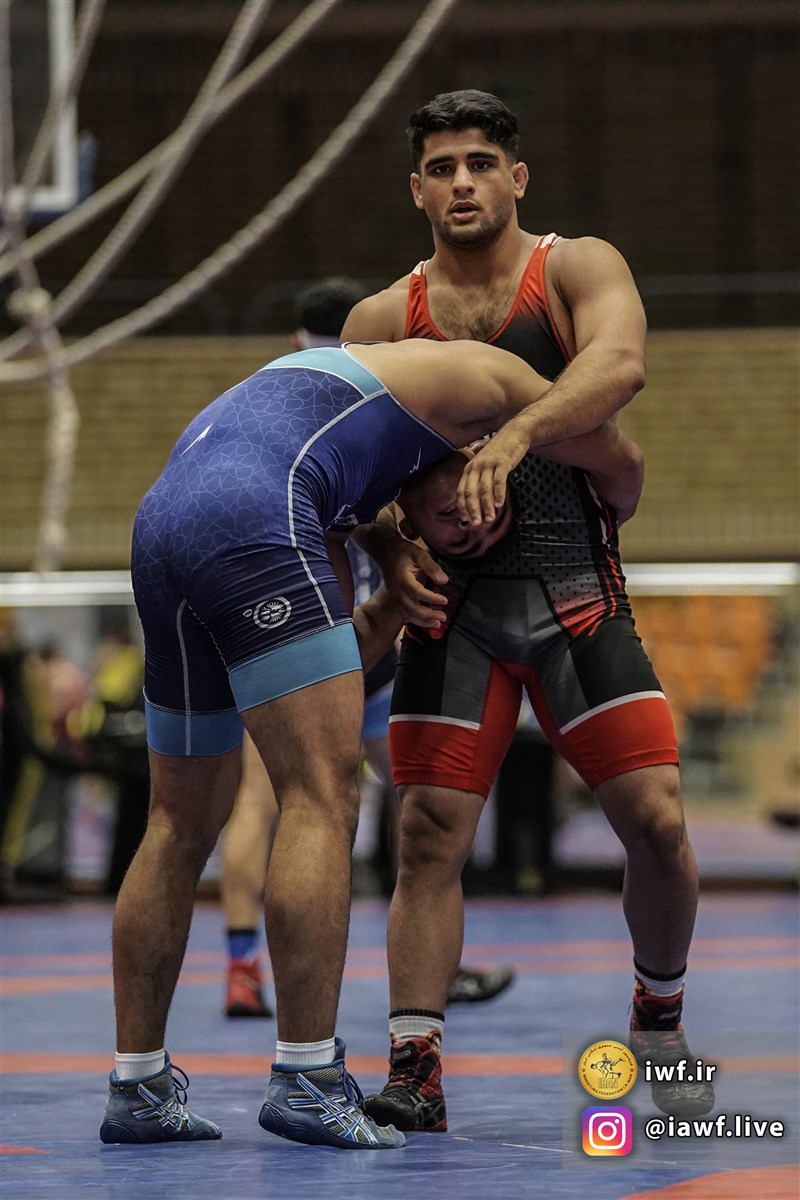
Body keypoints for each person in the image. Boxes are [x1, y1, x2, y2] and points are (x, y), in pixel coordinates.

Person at [100, 332, 641, 1150]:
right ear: (476, 454)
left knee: (177, 821)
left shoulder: (343, 486)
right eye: (479, 508)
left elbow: (315, 672)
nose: (468, 523)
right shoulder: (479, 379)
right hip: (248, 510)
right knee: (319, 797)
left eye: (465, 544)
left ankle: (138, 1087)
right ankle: (308, 1078)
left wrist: (389, 580)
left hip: (163, 524)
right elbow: (614, 439)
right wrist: (574, 479)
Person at [340, 88, 713, 1130]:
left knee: (656, 821)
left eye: (479, 163)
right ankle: (414, 1064)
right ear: (416, 189)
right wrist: (387, 544)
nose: (462, 182)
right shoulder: (382, 320)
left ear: (517, 177)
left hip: (573, 595)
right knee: (426, 836)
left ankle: (657, 1014)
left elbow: (619, 365)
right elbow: (341, 470)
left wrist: (512, 436)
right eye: (441, 167)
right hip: (450, 611)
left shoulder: (573, 269)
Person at [220, 277, 515, 1018]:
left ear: (295, 339)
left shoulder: (279, 391)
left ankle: (241, 966)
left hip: (300, 630)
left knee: (267, 803)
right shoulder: (382, 385)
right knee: (427, 808)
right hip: (359, 634)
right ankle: (435, 963)